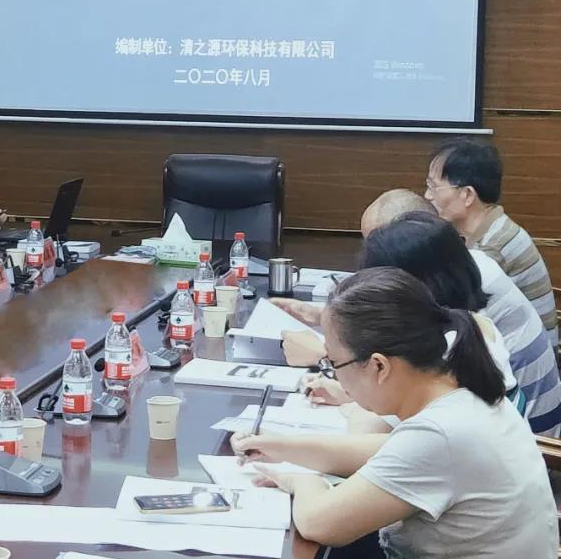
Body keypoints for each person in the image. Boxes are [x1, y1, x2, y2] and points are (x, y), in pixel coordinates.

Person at [232, 267, 556, 558]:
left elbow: (319, 523)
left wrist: (299, 481)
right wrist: (281, 447)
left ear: (378, 366)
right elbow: (382, 454)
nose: (334, 375)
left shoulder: (441, 432)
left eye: (333, 363)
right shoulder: (458, 383)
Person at [280, 190, 561, 435]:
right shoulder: (463, 276)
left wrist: (329, 360)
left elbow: (375, 430)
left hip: (540, 440)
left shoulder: (456, 339)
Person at [426, 139, 557, 343]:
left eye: (434, 187)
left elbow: (466, 320)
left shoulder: (492, 248)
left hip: (525, 357)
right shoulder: (489, 227)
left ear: (467, 195)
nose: (427, 196)